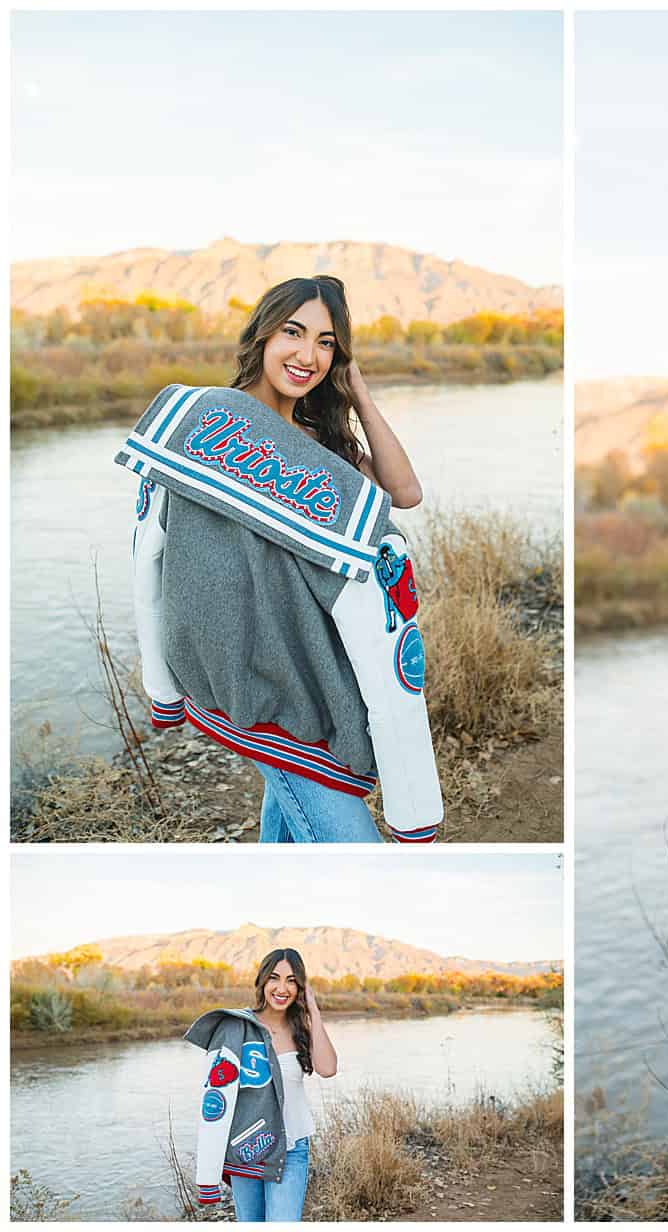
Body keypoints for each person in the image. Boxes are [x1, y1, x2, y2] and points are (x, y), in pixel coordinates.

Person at [118, 277, 444, 841]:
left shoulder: (319, 440)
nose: (308, 355)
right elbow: (155, 548)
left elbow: (405, 492)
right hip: (258, 681)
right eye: (293, 333)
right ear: (263, 333)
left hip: (317, 667)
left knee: (288, 818)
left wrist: (358, 393)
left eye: (326, 343)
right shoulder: (207, 418)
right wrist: (166, 680)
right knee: (348, 847)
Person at [186, 948, 337, 1221]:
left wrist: (313, 1009)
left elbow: (327, 1069)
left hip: (291, 1149)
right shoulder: (238, 1027)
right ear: (262, 982)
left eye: (292, 980)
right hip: (247, 1147)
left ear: (301, 986)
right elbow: (216, 1095)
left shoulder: (301, 1028)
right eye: (275, 978)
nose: (282, 988)